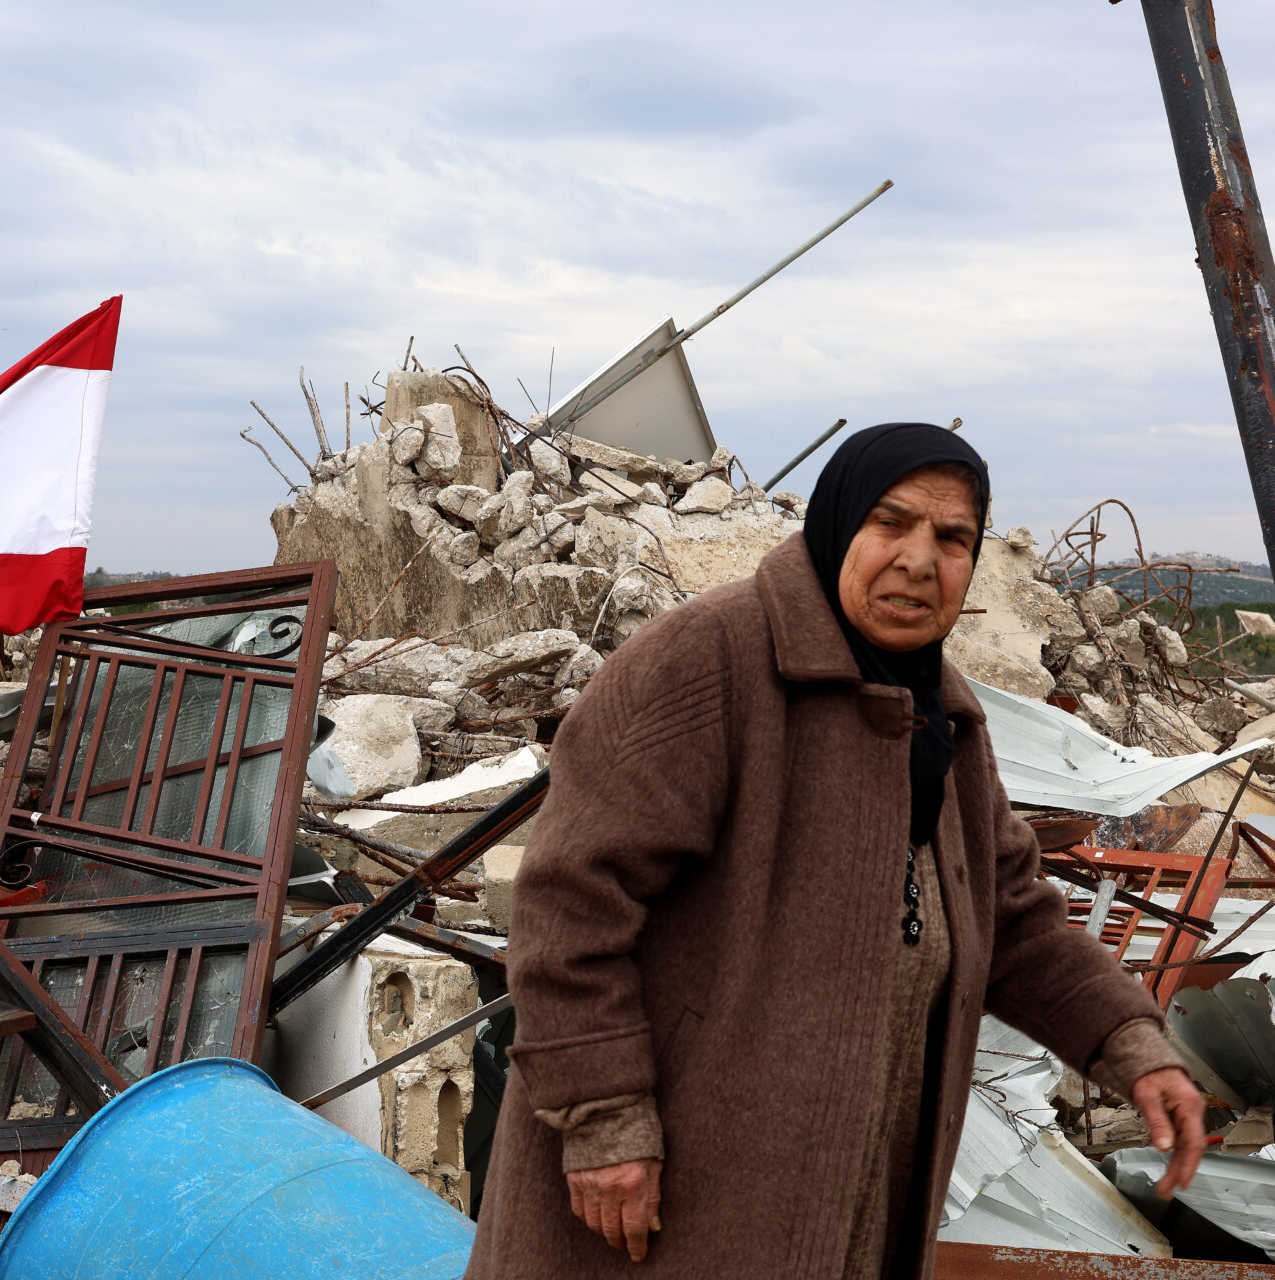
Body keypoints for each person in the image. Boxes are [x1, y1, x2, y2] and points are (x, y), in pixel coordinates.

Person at [465, 424, 1206, 1280]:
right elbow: (569, 906)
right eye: (891, 523)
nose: (919, 561)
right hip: (679, 1180)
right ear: (837, 523)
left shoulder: (942, 715)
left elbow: (1011, 916)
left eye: (953, 538)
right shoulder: (707, 662)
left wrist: (1131, 1044)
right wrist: (603, 1120)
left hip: (852, 1186)